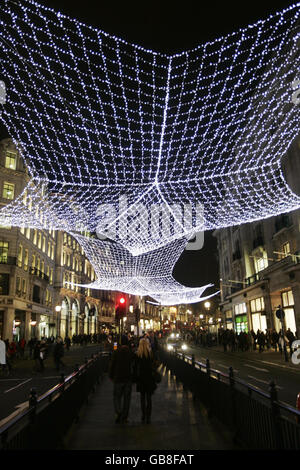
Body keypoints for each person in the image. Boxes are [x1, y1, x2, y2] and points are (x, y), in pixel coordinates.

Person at [109, 335, 134, 424]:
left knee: (117, 397)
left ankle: (118, 412)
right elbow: (133, 365)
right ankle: (124, 417)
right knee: (127, 399)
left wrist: (111, 375)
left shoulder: (116, 352)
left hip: (118, 378)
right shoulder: (130, 352)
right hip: (127, 378)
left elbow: (112, 364)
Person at [134, 337, 158, 424]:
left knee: (142, 397)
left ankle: (143, 415)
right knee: (149, 398)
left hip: (141, 378)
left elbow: (135, 367)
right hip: (149, 378)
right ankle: (148, 416)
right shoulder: (150, 354)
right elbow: (155, 364)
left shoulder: (138, 355)